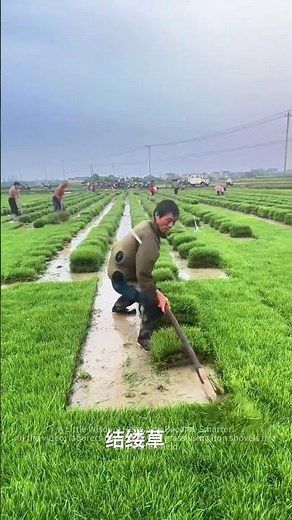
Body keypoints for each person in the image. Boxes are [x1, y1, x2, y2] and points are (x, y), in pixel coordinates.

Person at [107, 199, 180, 350]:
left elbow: (141, 275)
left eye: (174, 222)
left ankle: (119, 307)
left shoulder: (147, 226)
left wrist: (155, 289)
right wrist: (156, 296)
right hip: (121, 278)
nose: (171, 225)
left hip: (119, 271)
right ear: (157, 216)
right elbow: (143, 274)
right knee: (150, 300)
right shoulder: (150, 239)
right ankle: (145, 337)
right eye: (168, 220)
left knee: (141, 288)